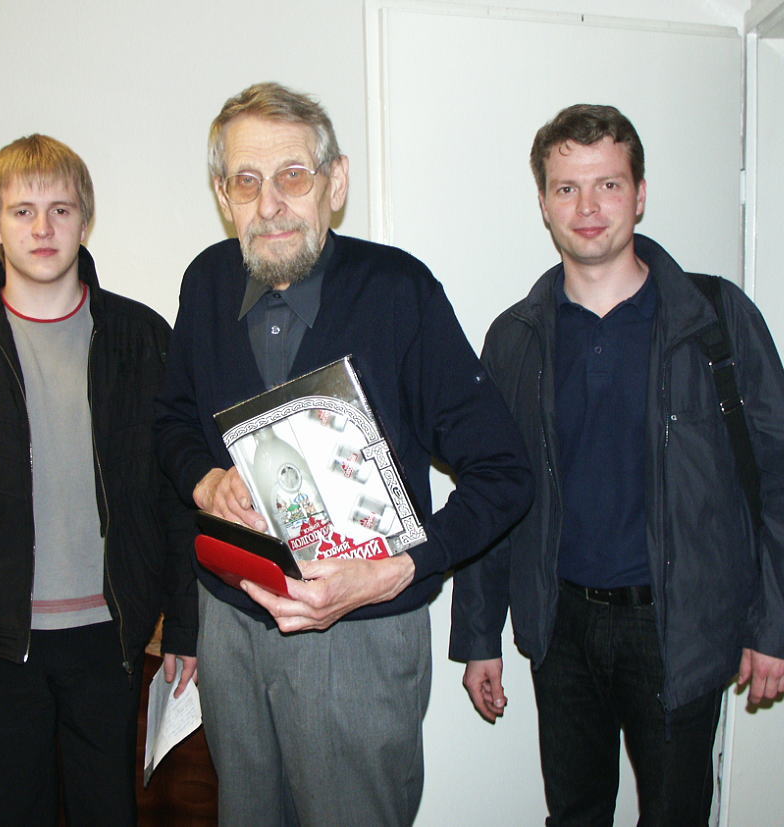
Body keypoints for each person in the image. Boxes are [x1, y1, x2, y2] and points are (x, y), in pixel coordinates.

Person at [154, 81, 533, 826]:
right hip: (232, 622)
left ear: (336, 182)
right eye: (246, 181)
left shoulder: (399, 293)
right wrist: (204, 481)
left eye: (293, 176)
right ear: (223, 195)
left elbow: (505, 473)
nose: (270, 204)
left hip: (360, 636)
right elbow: (170, 421)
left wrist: (395, 570)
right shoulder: (205, 283)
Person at [451, 104, 784, 826]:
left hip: (680, 627)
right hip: (560, 628)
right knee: (573, 815)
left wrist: (780, 625)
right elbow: (490, 493)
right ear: (543, 203)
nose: (588, 207)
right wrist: (478, 638)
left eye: (608, 184)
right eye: (567, 188)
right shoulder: (515, 338)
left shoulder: (714, 319)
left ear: (640, 194)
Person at [0, 134, 197, 825]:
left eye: (61, 210)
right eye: (22, 211)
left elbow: (178, 499)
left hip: (111, 634)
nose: (42, 228)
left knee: (106, 810)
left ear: (85, 221)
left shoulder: (142, 338)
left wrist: (185, 623)